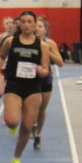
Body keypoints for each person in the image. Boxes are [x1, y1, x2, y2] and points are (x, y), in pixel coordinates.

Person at [0, 11, 50, 163]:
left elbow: (45, 69)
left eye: (29, 22)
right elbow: (1, 57)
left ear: (35, 25)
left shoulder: (42, 46)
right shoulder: (11, 41)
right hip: (14, 85)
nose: (26, 25)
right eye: (23, 21)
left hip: (33, 88)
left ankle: (16, 159)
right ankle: (12, 123)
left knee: (26, 127)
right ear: (19, 24)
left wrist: (41, 71)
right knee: (12, 121)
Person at [31, 16, 63, 151]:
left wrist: (48, 52)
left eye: (40, 27)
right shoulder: (27, 42)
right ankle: (32, 123)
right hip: (30, 77)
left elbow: (60, 63)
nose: (38, 29)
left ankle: (38, 135)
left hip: (45, 78)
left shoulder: (50, 43)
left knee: (42, 108)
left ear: (45, 30)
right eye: (36, 26)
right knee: (32, 106)